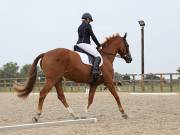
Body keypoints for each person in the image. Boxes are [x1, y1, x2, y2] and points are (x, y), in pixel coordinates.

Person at [76, 12, 102, 81]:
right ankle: (95, 72)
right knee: (97, 56)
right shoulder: (88, 25)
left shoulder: (79, 26)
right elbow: (92, 36)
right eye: (90, 20)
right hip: (84, 44)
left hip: (78, 45)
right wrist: (98, 45)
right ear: (87, 19)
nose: (90, 21)